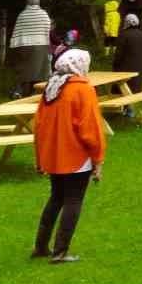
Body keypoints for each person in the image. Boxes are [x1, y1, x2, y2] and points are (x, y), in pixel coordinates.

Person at [31, 49, 106, 264]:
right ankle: (60, 251)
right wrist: (98, 158)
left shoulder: (51, 89)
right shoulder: (83, 90)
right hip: (75, 154)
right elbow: (90, 127)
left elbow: (39, 125)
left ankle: (41, 246)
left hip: (54, 154)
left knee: (56, 198)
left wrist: (40, 157)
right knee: (73, 200)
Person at [9, 0, 52, 98]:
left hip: (23, 45)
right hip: (40, 44)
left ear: (27, 3)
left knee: (23, 68)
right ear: (38, 3)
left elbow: (18, 30)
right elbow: (48, 29)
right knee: (39, 69)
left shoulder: (22, 15)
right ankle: (34, 91)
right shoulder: (43, 14)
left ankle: (18, 90)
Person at [112, 13, 142, 116]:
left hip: (125, 67)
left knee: (123, 87)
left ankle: (125, 109)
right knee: (135, 87)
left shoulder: (124, 35)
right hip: (138, 66)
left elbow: (119, 53)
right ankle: (130, 109)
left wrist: (115, 63)